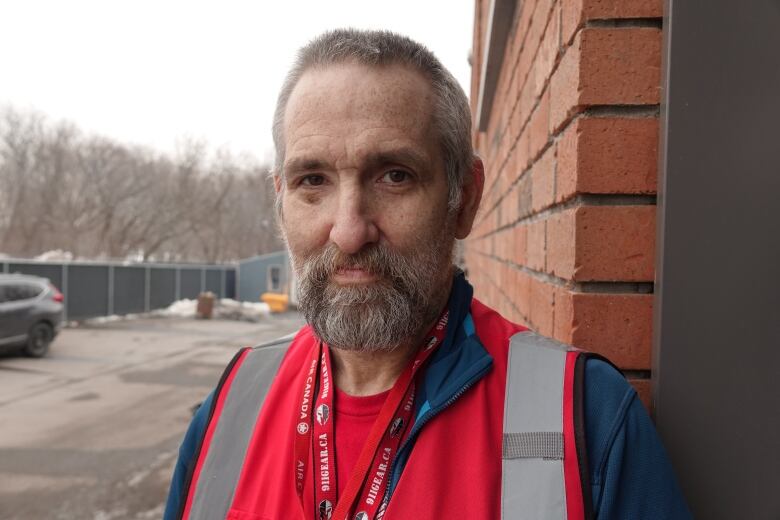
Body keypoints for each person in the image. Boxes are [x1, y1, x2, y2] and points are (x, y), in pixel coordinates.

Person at [164, 29, 691, 520]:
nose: (349, 231)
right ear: (280, 203)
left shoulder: (587, 417)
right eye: (313, 180)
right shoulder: (232, 404)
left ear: (465, 199)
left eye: (395, 176)